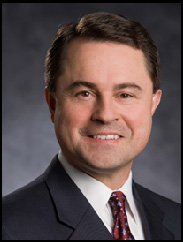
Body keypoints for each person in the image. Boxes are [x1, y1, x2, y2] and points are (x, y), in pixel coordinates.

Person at [2, 12, 181, 240]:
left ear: (153, 103)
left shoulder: (176, 220)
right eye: (84, 93)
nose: (105, 115)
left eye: (125, 94)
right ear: (53, 104)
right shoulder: (9, 228)